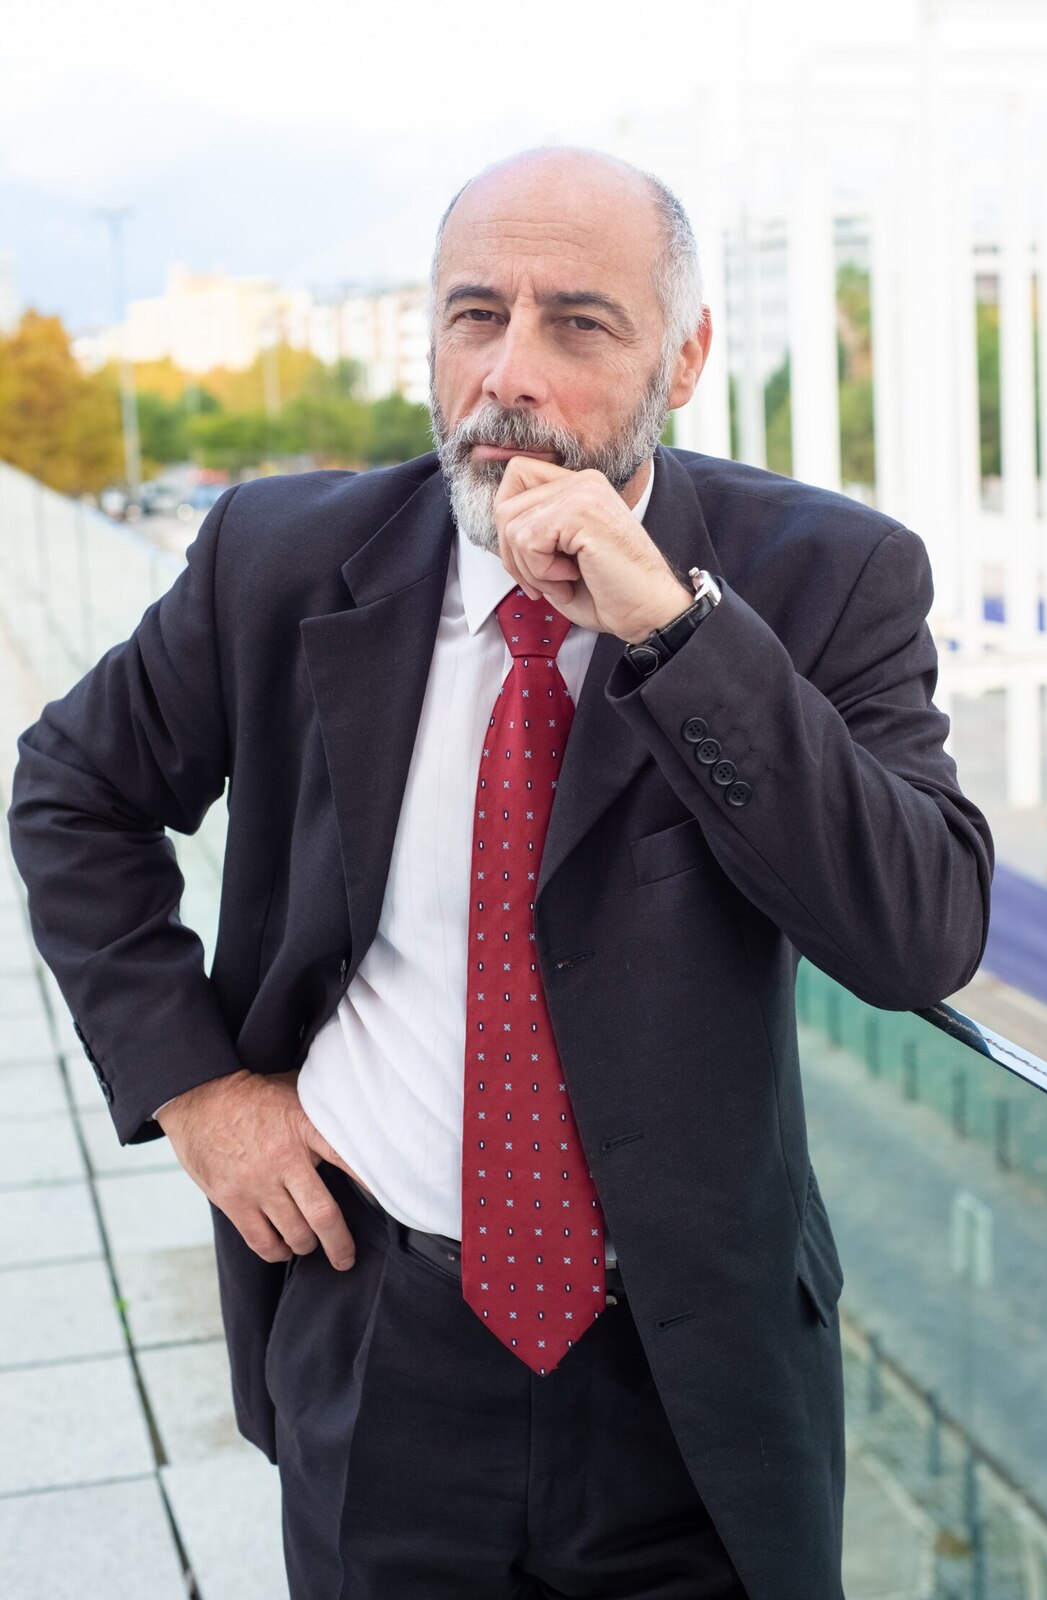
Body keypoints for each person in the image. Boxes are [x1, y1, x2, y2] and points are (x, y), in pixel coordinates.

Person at [8, 149, 993, 1600]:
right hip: (376, 1335)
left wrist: (675, 632)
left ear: (687, 354)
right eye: (475, 315)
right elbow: (71, 788)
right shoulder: (280, 560)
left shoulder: (829, 578)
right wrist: (201, 1094)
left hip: (688, 1373)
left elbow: (920, 932)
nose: (508, 375)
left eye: (579, 324)